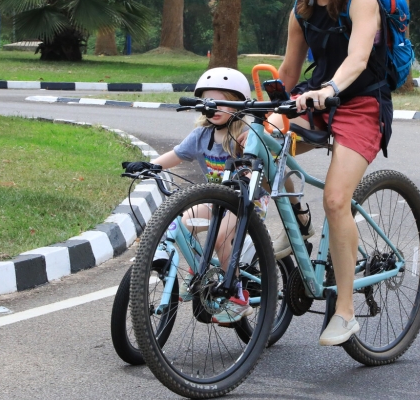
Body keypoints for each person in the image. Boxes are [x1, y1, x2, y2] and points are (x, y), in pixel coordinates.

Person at [274, 0, 391, 346]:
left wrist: (330, 89)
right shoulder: (302, 8)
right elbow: (288, 72)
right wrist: (262, 108)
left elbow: (358, 57)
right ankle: (299, 220)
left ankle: (345, 311)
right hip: (316, 100)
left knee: (337, 199)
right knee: (258, 140)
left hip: (361, 105)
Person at [125, 68, 313, 323]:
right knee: (182, 223)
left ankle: (237, 296)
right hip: (216, 200)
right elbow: (176, 155)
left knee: (223, 237)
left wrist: (248, 171)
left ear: (239, 103)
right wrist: (149, 166)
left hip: (248, 200)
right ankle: (198, 272)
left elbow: (261, 163)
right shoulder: (202, 135)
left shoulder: (246, 133)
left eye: (221, 102)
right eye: (207, 102)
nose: (213, 108)